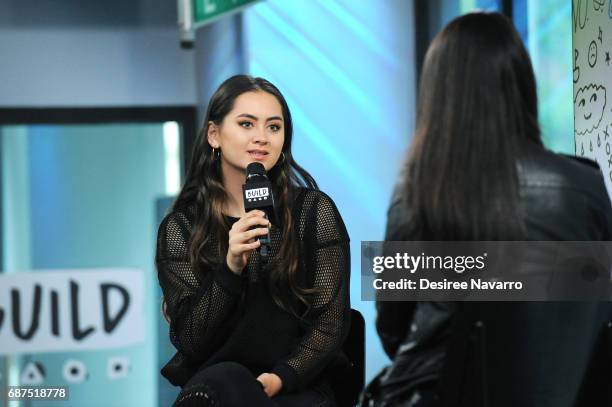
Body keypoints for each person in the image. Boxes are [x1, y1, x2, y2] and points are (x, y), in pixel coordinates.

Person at [371, 12, 612, 407]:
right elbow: (595, 315)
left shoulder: (417, 191)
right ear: (522, 87)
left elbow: (392, 333)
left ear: (438, 95)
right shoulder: (584, 186)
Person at [156, 75, 351, 406]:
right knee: (225, 378)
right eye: (247, 124)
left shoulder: (312, 212)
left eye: (274, 127)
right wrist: (230, 267)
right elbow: (190, 340)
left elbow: (329, 323)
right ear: (214, 135)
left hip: (296, 386)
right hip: (216, 390)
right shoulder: (182, 227)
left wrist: (280, 378)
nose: (262, 137)